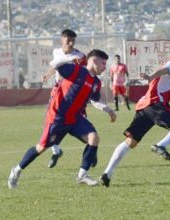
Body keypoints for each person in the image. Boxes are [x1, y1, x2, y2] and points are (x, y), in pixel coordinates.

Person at [100, 39, 170, 187]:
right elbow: (162, 70)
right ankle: (160, 146)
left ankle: (107, 174)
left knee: (130, 142)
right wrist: (151, 76)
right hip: (155, 103)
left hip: (145, 106)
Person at [8, 49, 116, 189]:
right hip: (58, 117)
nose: (104, 67)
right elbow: (55, 63)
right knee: (41, 148)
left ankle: (82, 175)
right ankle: (16, 170)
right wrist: (70, 60)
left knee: (93, 138)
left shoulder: (96, 82)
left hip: (76, 118)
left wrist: (108, 110)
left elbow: (95, 100)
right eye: (103, 63)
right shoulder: (75, 70)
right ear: (94, 61)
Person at [42, 29, 87, 169]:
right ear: (62, 39)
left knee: (81, 121)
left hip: (73, 93)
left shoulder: (79, 55)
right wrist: (47, 75)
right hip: (58, 91)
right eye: (68, 40)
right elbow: (55, 66)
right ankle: (56, 152)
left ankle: (92, 149)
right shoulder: (56, 52)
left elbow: (84, 72)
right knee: (50, 121)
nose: (71, 43)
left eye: (73, 40)